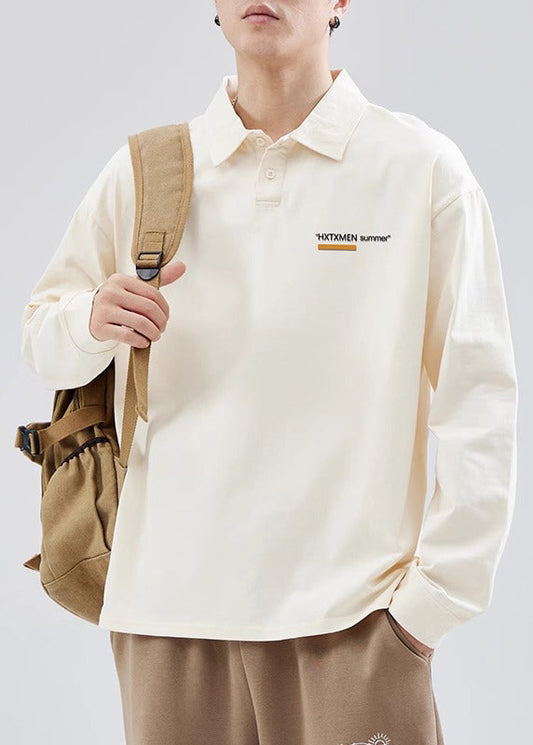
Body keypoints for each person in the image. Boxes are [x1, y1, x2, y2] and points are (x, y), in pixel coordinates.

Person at [20, 1, 518, 743]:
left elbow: (481, 402)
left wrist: (430, 606)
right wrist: (91, 320)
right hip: (166, 619)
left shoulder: (419, 170)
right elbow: (42, 340)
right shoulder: (147, 171)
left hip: (356, 621)